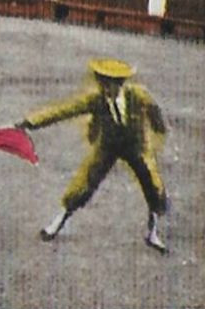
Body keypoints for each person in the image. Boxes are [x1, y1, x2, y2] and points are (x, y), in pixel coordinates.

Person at [14, 58, 169, 253]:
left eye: (109, 83)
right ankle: (58, 220)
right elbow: (65, 110)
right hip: (108, 145)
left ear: (120, 83)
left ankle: (153, 232)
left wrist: (158, 133)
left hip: (135, 146)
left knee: (153, 184)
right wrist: (30, 122)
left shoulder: (139, 95)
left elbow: (156, 114)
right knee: (85, 182)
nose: (105, 87)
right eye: (102, 82)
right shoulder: (95, 99)